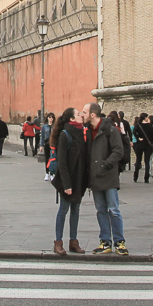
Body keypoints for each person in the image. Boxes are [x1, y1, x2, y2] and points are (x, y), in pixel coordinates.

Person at [84, 102, 127, 255]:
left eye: (85, 112)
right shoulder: (87, 131)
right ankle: (105, 241)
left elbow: (118, 151)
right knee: (101, 210)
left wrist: (105, 164)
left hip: (108, 177)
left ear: (92, 115)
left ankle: (119, 241)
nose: (83, 115)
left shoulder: (110, 130)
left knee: (114, 209)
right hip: (95, 178)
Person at [51, 107, 87, 255]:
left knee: (76, 211)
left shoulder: (83, 132)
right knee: (63, 210)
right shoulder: (65, 134)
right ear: (72, 119)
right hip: (67, 180)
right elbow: (62, 162)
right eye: (78, 115)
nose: (81, 117)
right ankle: (58, 242)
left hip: (79, 179)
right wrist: (66, 184)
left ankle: (73, 241)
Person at [131, 112, 153, 183]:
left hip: (140, 144)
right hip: (147, 145)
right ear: (145, 118)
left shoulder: (138, 125)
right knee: (147, 161)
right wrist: (150, 142)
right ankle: (146, 177)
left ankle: (136, 176)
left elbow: (134, 132)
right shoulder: (150, 126)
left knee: (138, 160)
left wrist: (138, 138)